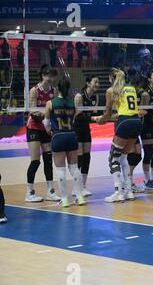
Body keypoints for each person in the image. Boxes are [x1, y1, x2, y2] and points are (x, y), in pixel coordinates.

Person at [95, 68, 142, 202]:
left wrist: (101, 120)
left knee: (113, 158)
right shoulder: (131, 88)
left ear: (111, 78)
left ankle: (118, 192)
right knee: (124, 157)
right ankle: (129, 191)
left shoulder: (111, 90)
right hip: (136, 121)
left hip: (125, 122)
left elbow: (108, 113)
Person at [43, 77, 86, 207]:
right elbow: (74, 119)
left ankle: (65, 199)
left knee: (61, 170)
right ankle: (79, 197)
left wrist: (50, 131)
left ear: (57, 88)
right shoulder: (73, 102)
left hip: (58, 136)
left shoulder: (50, 103)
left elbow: (46, 123)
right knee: (74, 168)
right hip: (71, 135)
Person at [25, 65, 60, 203]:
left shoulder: (54, 91)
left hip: (46, 128)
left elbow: (55, 110)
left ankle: (50, 191)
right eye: (49, 75)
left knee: (48, 159)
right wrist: (46, 117)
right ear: (43, 75)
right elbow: (33, 113)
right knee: (35, 161)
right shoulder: (34, 90)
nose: (51, 78)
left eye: (52, 76)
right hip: (34, 127)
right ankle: (29, 192)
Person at [74, 75, 100, 196]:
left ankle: (83, 186)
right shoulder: (79, 96)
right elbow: (79, 115)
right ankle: (76, 187)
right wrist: (95, 118)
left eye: (98, 82)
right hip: (77, 128)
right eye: (95, 82)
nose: (98, 84)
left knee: (86, 156)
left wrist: (103, 118)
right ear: (88, 83)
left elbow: (93, 115)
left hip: (86, 128)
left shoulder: (96, 97)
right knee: (79, 157)